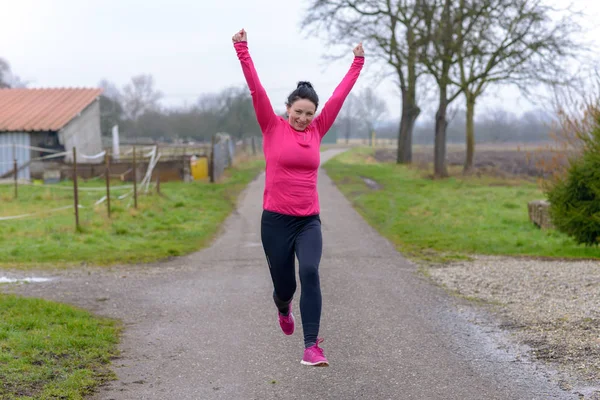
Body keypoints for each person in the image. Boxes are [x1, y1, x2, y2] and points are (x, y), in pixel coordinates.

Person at [232, 28, 364, 367]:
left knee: (309, 271)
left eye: (309, 113)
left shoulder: (318, 130)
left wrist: (357, 63)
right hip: (275, 221)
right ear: (287, 108)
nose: (304, 118)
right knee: (285, 287)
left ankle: (311, 347)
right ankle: (282, 306)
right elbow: (255, 88)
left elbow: (339, 96)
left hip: (308, 220)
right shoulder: (272, 127)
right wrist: (242, 49)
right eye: (298, 111)